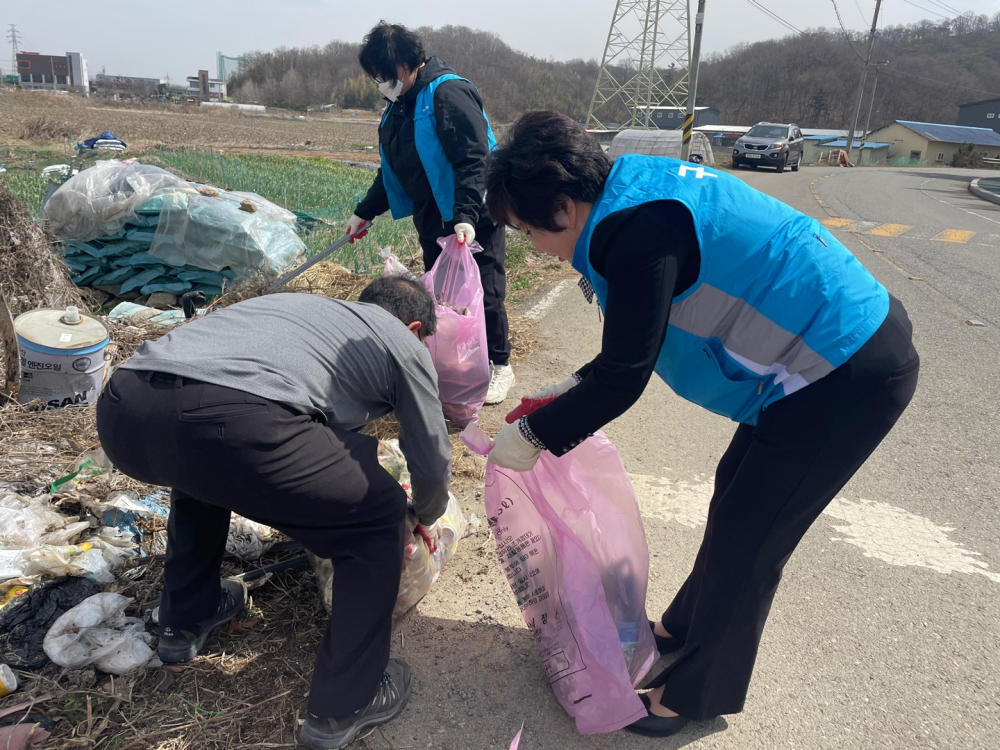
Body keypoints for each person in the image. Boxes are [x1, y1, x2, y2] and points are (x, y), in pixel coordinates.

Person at [484, 111, 919, 737]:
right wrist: (567, 391)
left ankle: (696, 694)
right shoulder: (629, 196)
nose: (536, 247)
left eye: (529, 230)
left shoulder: (637, 232)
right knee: (736, 492)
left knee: (753, 535)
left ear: (563, 205)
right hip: (815, 361)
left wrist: (532, 437)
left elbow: (624, 376)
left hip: (847, 365)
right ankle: (684, 628)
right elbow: (627, 348)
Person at [95, 278, 453, 750]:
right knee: (378, 513)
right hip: (229, 418)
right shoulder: (400, 340)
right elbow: (432, 458)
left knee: (203, 467)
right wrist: (421, 514)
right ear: (414, 327)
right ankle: (346, 702)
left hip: (125, 407)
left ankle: (185, 618)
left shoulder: (299, 310)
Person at [345, 21, 515, 406]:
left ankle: (500, 365)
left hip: (472, 217)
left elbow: (475, 159)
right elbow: (394, 168)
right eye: (376, 77)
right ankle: (455, 361)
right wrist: (365, 212)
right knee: (441, 297)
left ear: (407, 64)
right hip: (432, 219)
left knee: (483, 293)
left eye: (384, 74)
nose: (381, 83)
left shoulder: (448, 93)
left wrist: (467, 215)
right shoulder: (398, 107)